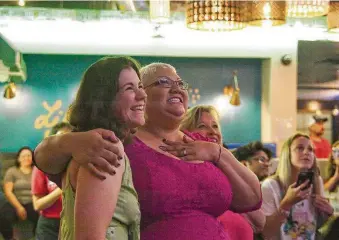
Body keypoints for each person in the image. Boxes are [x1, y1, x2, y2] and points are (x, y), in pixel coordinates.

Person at [34, 62, 261, 240]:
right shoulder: (115, 143)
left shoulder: (201, 144)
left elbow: (253, 198)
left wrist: (217, 152)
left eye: (181, 84)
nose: (176, 88)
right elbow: (44, 158)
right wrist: (70, 142)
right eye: (163, 82)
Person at [35, 56, 146, 239]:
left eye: (140, 86)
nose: (143, 95)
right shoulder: (104, 147)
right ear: (104, 99)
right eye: (129, 88)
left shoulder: (90, 143)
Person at [180, 105, 265, 239]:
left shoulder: (225, 168)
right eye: (202, 126)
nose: (212, 131)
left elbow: (259, 220)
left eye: (215, 126)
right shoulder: (182, 172)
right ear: (185, 134)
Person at [261, 133, 333, 240]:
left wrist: (328, 214)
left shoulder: (317, 182)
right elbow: (266, 233)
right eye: (300, 148)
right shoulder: (270, 186)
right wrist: (286, 204)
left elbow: (317, 228)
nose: (306, 153)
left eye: (310, 149)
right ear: (287, 154)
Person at [31, 122, 73, 240]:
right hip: (49, 225)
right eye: (59, 137)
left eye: (69, 137)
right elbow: (37, 205)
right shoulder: (42, 165)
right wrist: (63, 188)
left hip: (74, 221)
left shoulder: (80, 164)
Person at [0, 147, 39, 240]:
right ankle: (9, 238)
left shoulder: (37, 171)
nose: (26, 158)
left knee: (41, 215)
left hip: (33, 201)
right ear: (18, 158)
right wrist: (19, 207)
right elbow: (8, 192)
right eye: (23, 156)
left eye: (29, 155)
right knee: (3, 215)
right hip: (15, 201)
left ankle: (37, 236)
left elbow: (40, 189)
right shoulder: (12, 171)